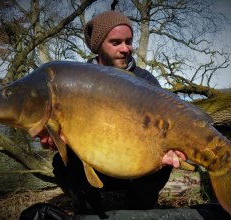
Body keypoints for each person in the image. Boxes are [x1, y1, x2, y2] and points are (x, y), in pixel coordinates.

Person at [40, 11, 186, 215]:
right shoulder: (76, 81)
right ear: (98, 45)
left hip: (135, 162)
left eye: (129, 41)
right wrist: (57, 139)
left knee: (163, 162)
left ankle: (139, 210)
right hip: (95, 159)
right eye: (116, 42)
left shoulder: (145, 80)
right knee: (62, 163)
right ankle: (90, 211)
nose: (125, 49)